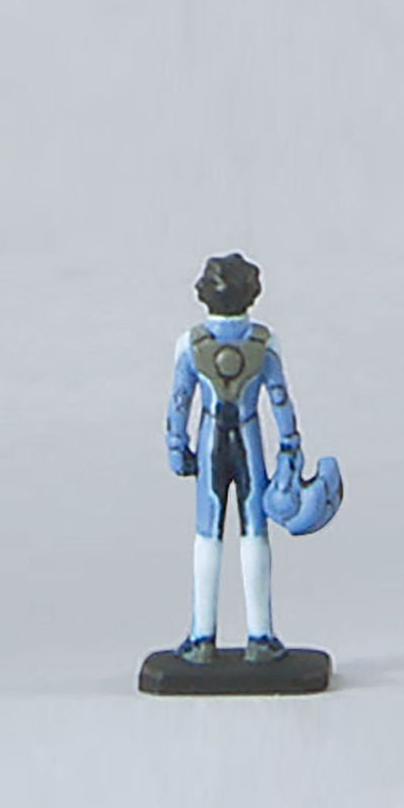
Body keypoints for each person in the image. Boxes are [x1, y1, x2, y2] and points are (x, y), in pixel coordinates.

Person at [165, 252, 300, 663]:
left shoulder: (191, 344)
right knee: (254, 532)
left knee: (207, 535)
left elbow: (179, 400)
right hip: (248, 438)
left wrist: (176, 444)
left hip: (210, 439)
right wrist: (290, 445)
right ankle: (260, 635)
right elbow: (279, 399)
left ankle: (201, 637)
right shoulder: (263, 343)